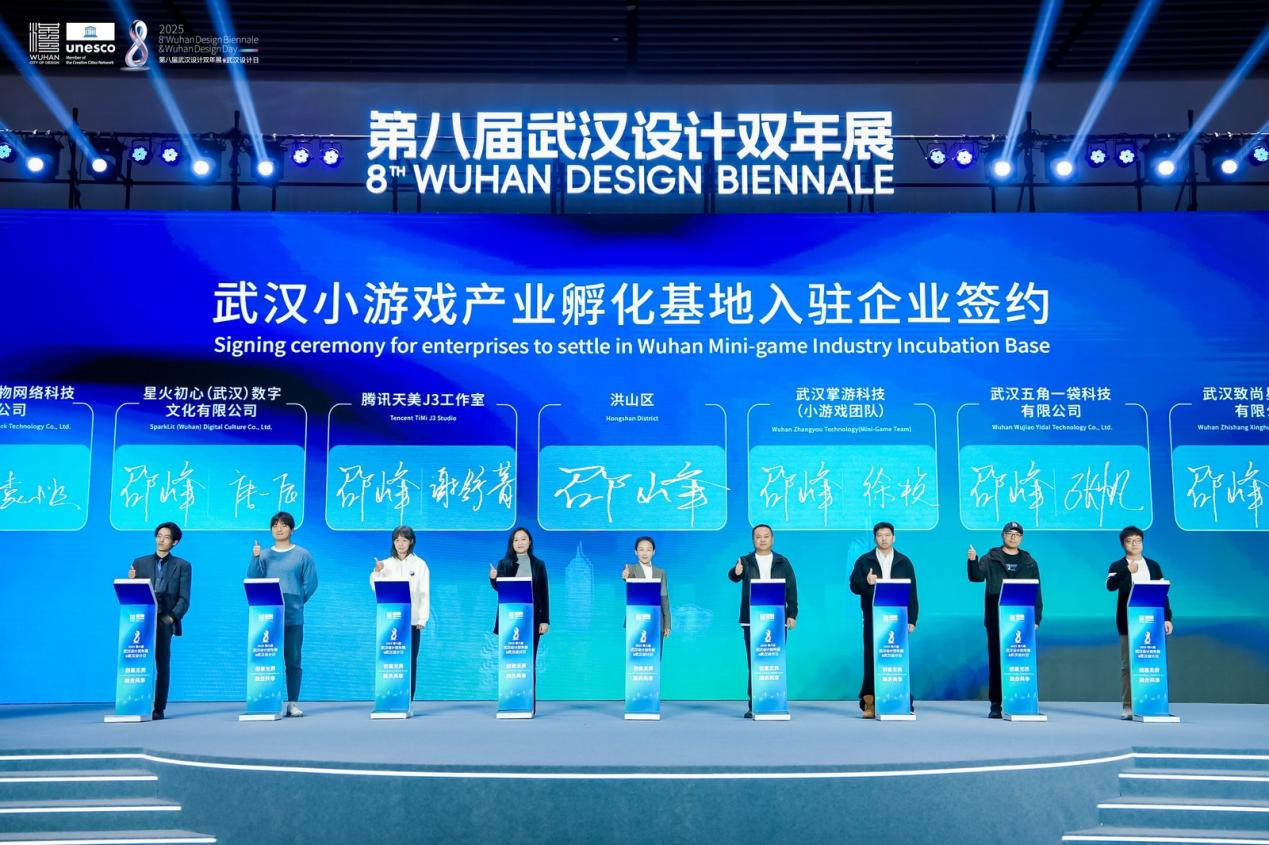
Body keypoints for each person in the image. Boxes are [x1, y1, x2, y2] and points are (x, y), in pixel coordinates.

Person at [967, 521, 1042, 718]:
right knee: (997, 661)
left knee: (1021, 660)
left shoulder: (1030, 562)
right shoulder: (990, 558)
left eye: (1017, 534)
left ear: (1021, 538)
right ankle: (996, 704)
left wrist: (1036, 618)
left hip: (1023, 620)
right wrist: (973, 561)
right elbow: (976, 577)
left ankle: (1022, 701)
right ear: (1003, 535)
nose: (1013, 537)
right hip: (996, 619)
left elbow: (1036, 591)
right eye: (1009, 533)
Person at [246, 512, 317, 717]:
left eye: (284, 525)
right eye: (275, 525)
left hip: (293, 617)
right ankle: (267, 701)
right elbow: (253, 579)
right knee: (267, 660)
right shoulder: (264, 554)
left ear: (291, 530)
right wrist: (255, 557)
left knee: (293, 660)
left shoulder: (302, 554)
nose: (279, 529)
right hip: (268, 619)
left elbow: (311, 583)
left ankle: (292, 703)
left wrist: (297, 601)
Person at [849, 521, 918, 718]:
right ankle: (869, 702)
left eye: (887, 535)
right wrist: (866, 581)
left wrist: (912, 619)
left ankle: (901, 700)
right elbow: (853, 586)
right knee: (872, 658)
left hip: (898, 619)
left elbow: (912, 592)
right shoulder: (865, 560)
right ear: (875, 538)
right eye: (880, 536)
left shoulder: (904, 562)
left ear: (894, 537)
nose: (884, 539)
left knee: (897, 659)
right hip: (873, 617)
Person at [728, 523, 798, 718]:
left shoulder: (783, 562)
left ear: (772, 539)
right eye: (758, 536)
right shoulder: (746, 561)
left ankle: (776, 703)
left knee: (775, 660)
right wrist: (737, 572)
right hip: (752, 619)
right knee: (755, 662)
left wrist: (792, 614)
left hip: (777, 619)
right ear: (753, 540)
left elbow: (791, 589)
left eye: (766, 536)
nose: (762, 539)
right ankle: (755, 705)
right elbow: (733, 576)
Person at [1106, 525, 1174, 719]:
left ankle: (1154, 704)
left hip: (1152, 621)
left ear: (1142, 543)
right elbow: (1110, 586)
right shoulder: (1117, 565)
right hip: (1127, 621)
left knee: (1153, 661)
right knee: (1128, 665)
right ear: (1123, 544)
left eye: (1138, 540)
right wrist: (1126, 571)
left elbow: (1162, 593)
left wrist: (1167, 617)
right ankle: (1128, 706)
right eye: (1129, 541)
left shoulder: (1153, 566)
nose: (1134, 544)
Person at [128, 522, 191, 721]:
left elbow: (184, 599)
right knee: (137, 661)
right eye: (159, 535)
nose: (161, 540)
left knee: (162, 665)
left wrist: (170, 618)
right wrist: (131, 582)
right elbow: (134, 594)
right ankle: (133, 702)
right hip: (142, 619)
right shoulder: (140, 563)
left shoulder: (183, 566)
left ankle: (159, 707)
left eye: (166, 537)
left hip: (165, 619)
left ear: (175, 542)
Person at [489, 527, 550, 706]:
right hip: (510, 619)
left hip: (533, 619)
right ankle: (509, 702)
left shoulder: (538, 564)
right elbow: (501, 589)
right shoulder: (504, 563)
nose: (520, 543)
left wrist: (545, 620)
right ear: (511, 543)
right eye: (516, 540)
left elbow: (543, 593)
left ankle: (527, 702)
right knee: (510, 660)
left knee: (528, 661)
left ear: (529, 542)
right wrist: (493, 578)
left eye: (523, 539)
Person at [370, 525, 430, 701]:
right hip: (390, 621)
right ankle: (388, 698)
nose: (400, 544)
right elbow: (376, 588)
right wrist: (377, 572)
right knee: (390, 658)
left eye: (404, 540)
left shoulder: (420, 564)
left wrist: (422, 618)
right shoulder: (385, 564)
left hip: (412, 620)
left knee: (410, 659)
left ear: (411, 542)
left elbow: (424, 592)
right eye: (397, 540)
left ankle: (407, 700)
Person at [621, 536, 671, 642]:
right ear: (635, 552)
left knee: (656, 652)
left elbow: (664, 598)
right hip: (636, 620)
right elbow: (627, 576)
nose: (645, 553)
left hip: (657, 620)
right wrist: (625, 576)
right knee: (637, 651)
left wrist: (667, 623)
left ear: (654, 552)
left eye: (648, 549)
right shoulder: (630, 569)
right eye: (641, 549)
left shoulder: (660, 572)